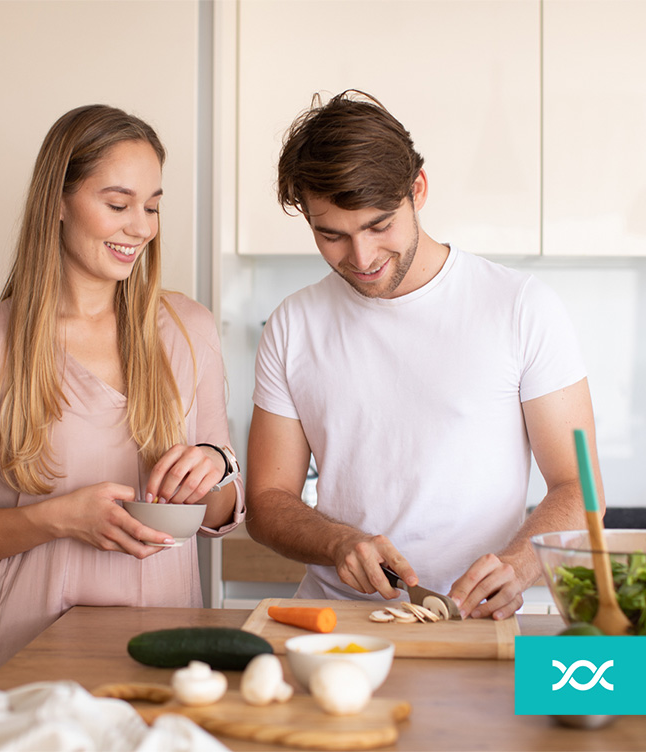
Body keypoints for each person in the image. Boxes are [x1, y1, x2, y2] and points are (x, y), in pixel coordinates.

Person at [245, 90, 604, 621]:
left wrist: (521, 565)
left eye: (378, 225)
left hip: (481, 622)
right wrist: (339, 542)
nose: (361, 258)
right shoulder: (294, 324)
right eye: (332, 235)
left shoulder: (520, 307)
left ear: (418, 189)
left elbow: (580, 487)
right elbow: (268, 500)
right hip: (337, 625)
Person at [0, 105, 244, 680]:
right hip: (33, 650)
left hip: (170, 646)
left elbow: (223, 509)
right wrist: (58, 519)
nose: (141, 226)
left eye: (152, 206)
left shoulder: (190, 329)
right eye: (118, 205)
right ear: (59, 203)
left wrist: (212, 470)